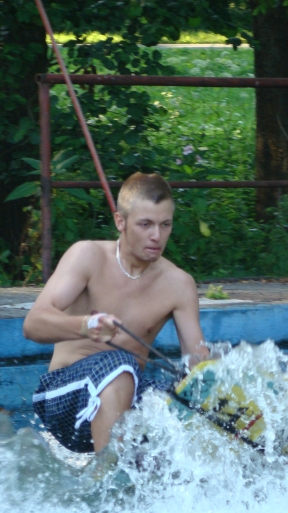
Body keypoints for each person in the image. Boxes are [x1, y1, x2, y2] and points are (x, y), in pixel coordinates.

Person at [24, 172, 209, 454]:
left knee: (182, 406)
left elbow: (198, 367)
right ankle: (111, 480)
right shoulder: (87, 256)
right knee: (121, 365)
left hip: (127, 395)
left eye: (165, 225)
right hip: (63, 399)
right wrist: (86, 326)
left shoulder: (179, 284)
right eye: (145, 224)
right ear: (120, 221)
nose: (156, 236)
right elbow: (33, 324)